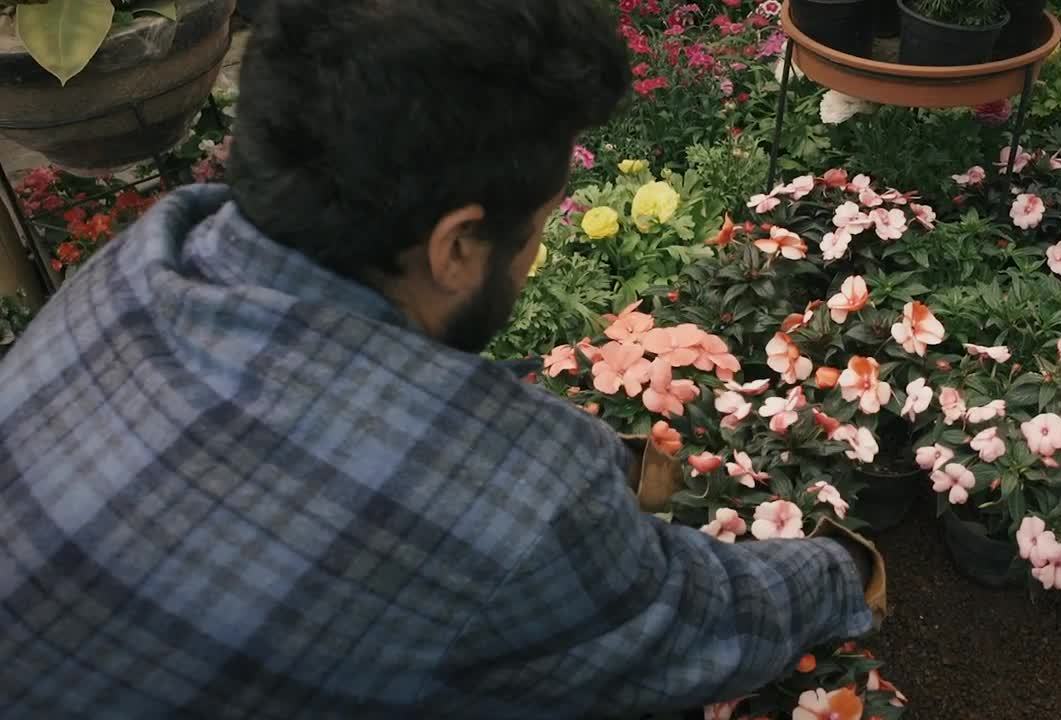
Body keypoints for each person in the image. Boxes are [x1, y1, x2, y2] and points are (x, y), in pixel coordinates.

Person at [0, 2, 882, 717]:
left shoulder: (143, 261)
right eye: (536, 230)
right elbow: (694, 627)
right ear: (459, 244)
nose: (532, 257)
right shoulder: (507, 500)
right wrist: (847, 575)